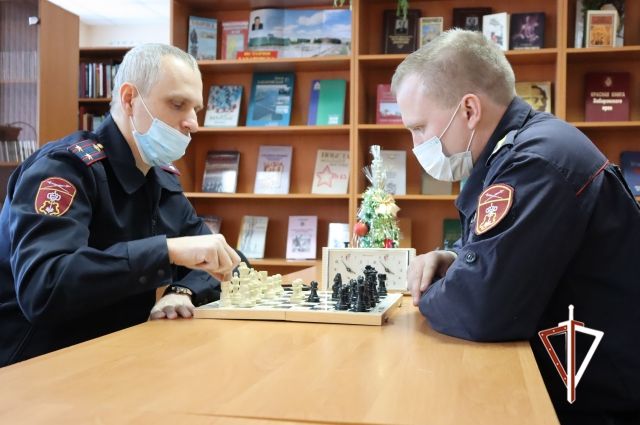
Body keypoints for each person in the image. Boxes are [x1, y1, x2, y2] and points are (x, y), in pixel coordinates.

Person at [391, 29, 640, 424]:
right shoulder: (521, 149)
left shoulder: (535, 163)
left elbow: (481, 307)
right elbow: (508, 255)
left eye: (419, 128)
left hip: (596, 397)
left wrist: (433, 290)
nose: (415, 143)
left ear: (469, 110)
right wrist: (454, 260)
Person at [0, 43, 243, 367]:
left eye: (195, 109)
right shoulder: (63, 171)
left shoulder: (160, 177)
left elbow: (225, 260)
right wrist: (165, 252)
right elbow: (44, 287)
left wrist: (183, 291)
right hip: (36, 367)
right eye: (177, 104)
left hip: (116, 357)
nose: (192, 123)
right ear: (129, 99)